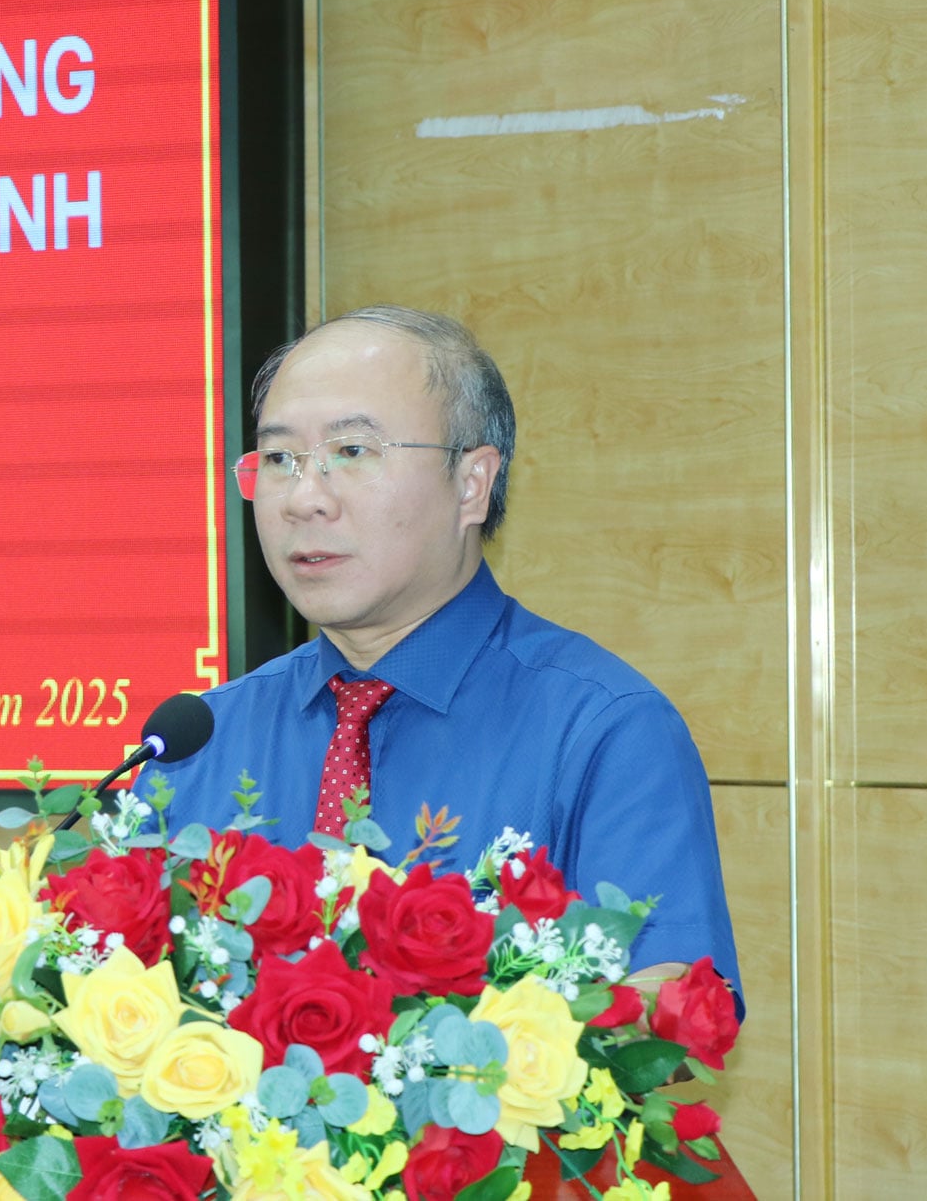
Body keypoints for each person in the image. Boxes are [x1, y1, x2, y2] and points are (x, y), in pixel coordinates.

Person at [137, 305, 741, 1007]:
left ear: (471, 483)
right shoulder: (198, 742)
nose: (303, 498)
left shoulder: (605, 732)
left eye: (352, 452)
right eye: (278, 459)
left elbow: (666, 1011)